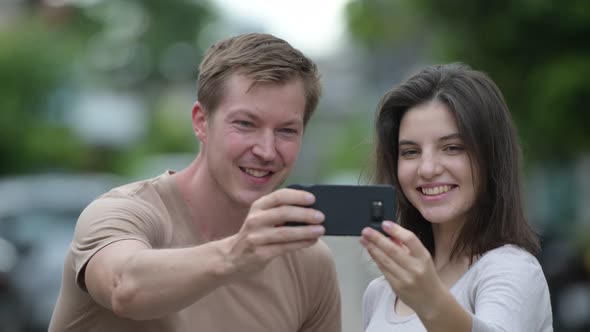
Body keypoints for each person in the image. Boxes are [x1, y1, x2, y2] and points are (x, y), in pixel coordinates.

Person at [49, 33, 341, 332]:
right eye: (245, 124)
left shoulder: (309, 263)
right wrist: (235, 256)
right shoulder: (123, 212)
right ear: (201, 121)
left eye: (286, 131)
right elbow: (123, 286)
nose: (267, 150)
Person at [360, 63, 553, 331]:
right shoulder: (380, 292)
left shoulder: (511, 269)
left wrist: (431, 301)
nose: (428, 169)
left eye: (452, 148)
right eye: (410, 152)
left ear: (491, 158)